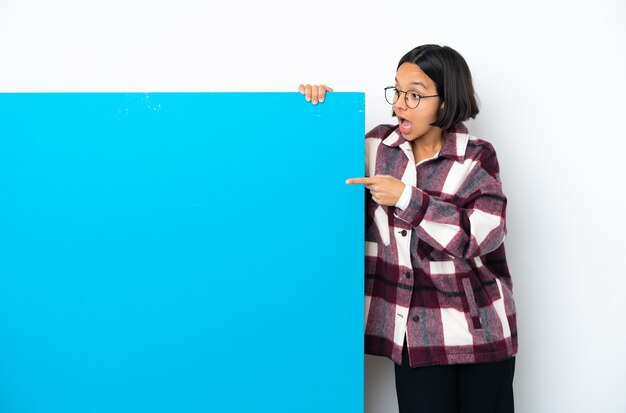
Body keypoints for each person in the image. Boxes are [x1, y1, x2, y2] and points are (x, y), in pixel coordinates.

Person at [299, 44, 517, 413]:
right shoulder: (375, 148)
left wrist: (406, 198)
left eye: (414, 95)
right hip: (416, 337)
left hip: (480, 333)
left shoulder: (476, 155)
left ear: (445, 103)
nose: (399, 104)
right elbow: (315, 177)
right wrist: (325, 115)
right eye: (397, 91)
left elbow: (484, 233)